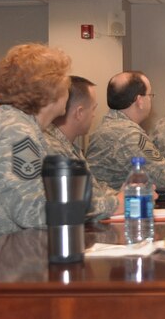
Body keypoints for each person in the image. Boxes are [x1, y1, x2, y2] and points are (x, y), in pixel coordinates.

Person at [0, 44, 72, 245]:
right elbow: (33, 212)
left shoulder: (13, 123)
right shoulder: (15, 131)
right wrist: (109, 205)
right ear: (51, 92)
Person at [44, 76, 121, 222]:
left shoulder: (69, 146)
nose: (93, 115)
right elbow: (71, 205)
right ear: (79, 112)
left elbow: (93, 188)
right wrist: (116, 203)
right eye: (93, 109)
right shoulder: (52, 149)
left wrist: (123, 194)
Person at [87, 71, 165, 189]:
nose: (151, 100)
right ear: (140, 101)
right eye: (150, 95)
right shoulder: (129, 135)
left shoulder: (109, 125)